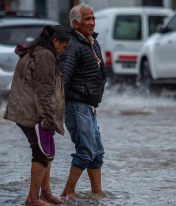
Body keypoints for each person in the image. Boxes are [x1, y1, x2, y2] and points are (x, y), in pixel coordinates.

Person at [4, 25, 71, 206]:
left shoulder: (40, 51)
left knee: (48, 153)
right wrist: (48, 120)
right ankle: (33, 199)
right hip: (36, 114)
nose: (63, 51)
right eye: (63, 46)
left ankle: (46, 193)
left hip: (35, 112)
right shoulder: (45, 56)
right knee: (41, 154)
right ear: (55, 41)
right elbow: (44, 92)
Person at [59, 3, 107, 197]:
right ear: (75, 24)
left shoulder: (93, 42)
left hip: (89, 106)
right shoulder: (72, 45)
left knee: (97, 152)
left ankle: (97, 192)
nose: (92, 22)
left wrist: (98, 90)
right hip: (76, 105)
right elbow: (64, 76)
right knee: (86, 150)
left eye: (93, 18)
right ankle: (68, 192)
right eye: (87, 19)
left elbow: (102, 72)